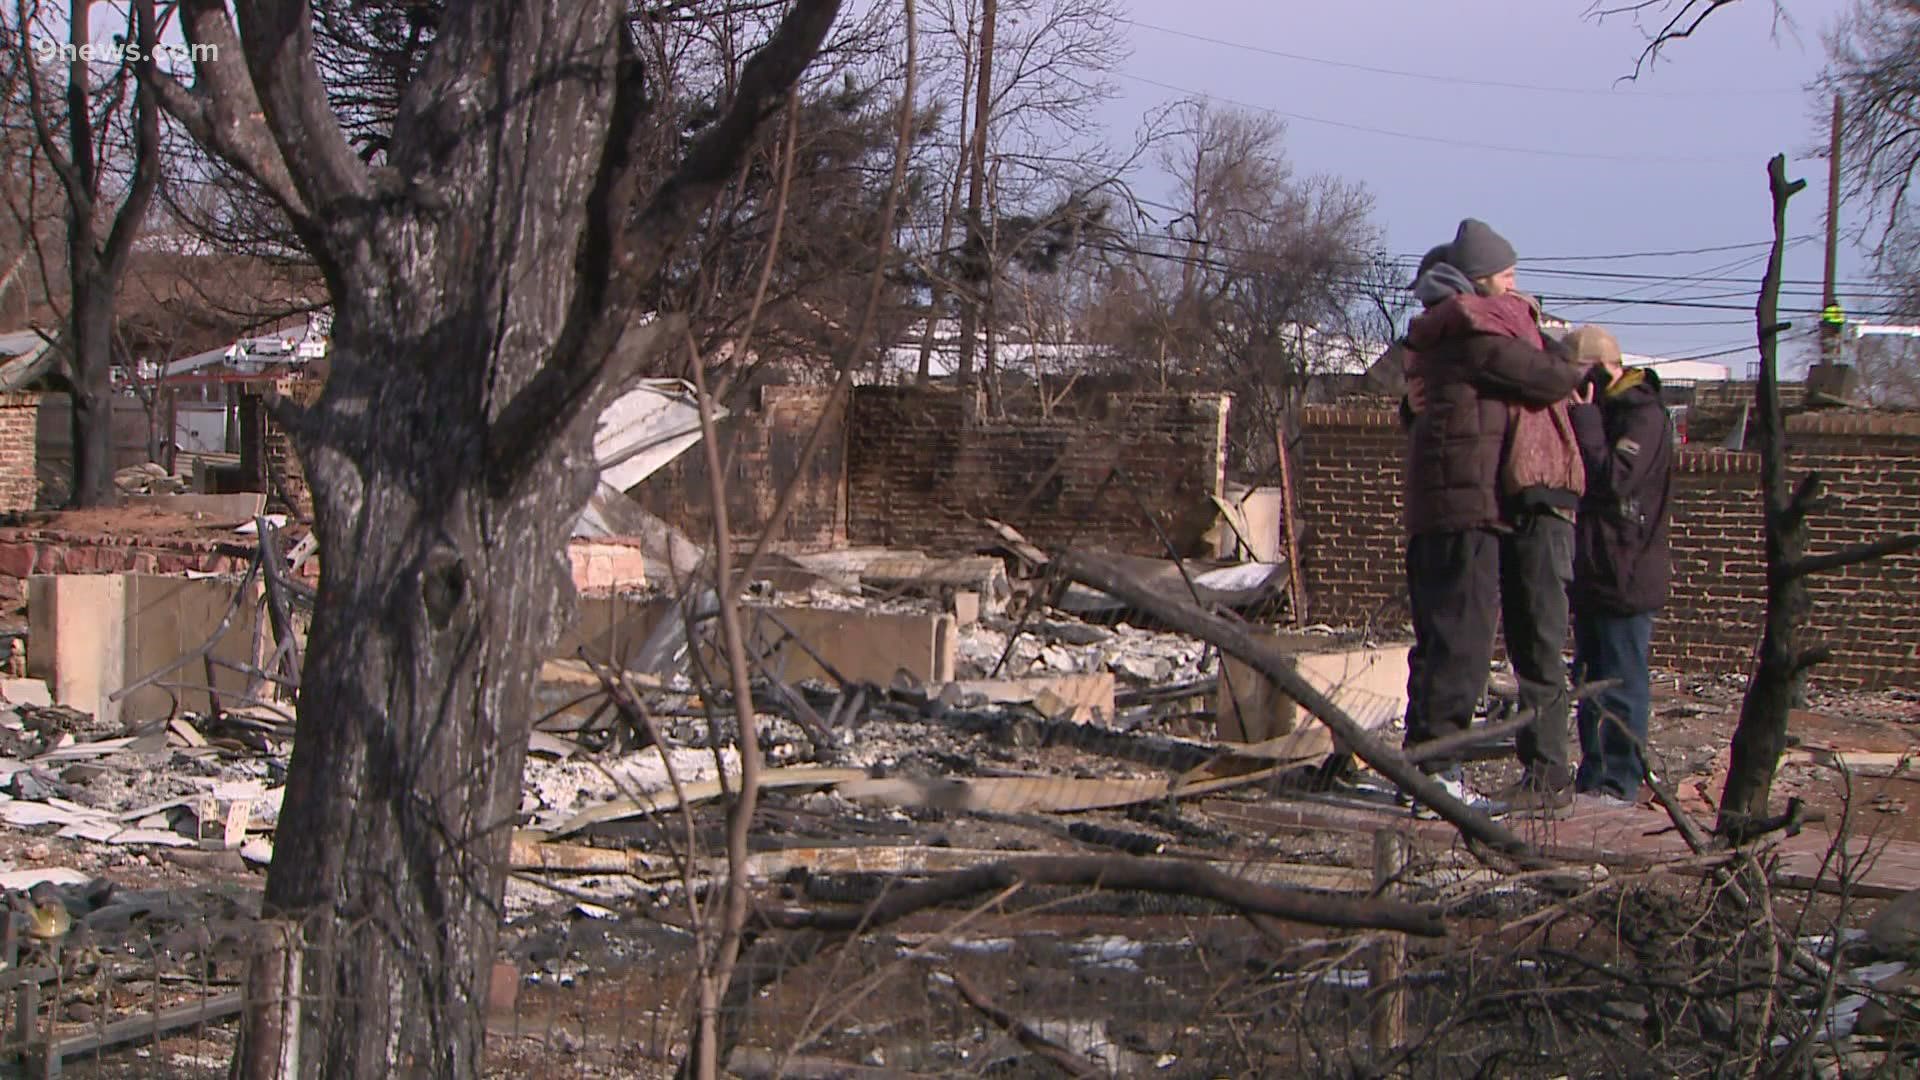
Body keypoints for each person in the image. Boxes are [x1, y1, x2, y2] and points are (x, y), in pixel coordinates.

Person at [1396, 219, 1589, 809]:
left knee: (1449, 640)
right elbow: (1556, 376)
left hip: (1464, 505)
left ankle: (1431, 766)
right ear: (1479, 281)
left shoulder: (1441, 337)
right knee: (1463, 640)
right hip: (1472, 506)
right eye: (1507, 277)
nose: (1517, 288)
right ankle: (1438, 772)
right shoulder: (1476, 335)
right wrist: (1542, 331)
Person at [1564, 325, 1674, 805]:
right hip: (1595, 570)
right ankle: (1594, 774)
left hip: (1625, 570)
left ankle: (1618, 780)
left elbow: (1613, 479)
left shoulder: (1640, 414)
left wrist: (1586, 418)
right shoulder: (1609, 412)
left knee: (1623, 680)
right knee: (1590, 680)